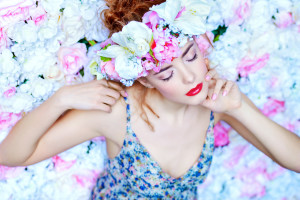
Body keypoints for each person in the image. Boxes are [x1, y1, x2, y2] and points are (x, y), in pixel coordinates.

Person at [0, 0, 300, 199]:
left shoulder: (216, 103)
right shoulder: (117, 112)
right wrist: (59, 100)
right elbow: (12, 156)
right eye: (166, 73)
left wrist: (241, 108)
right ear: (144, 78)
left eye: (191, 55)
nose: (190, 78)